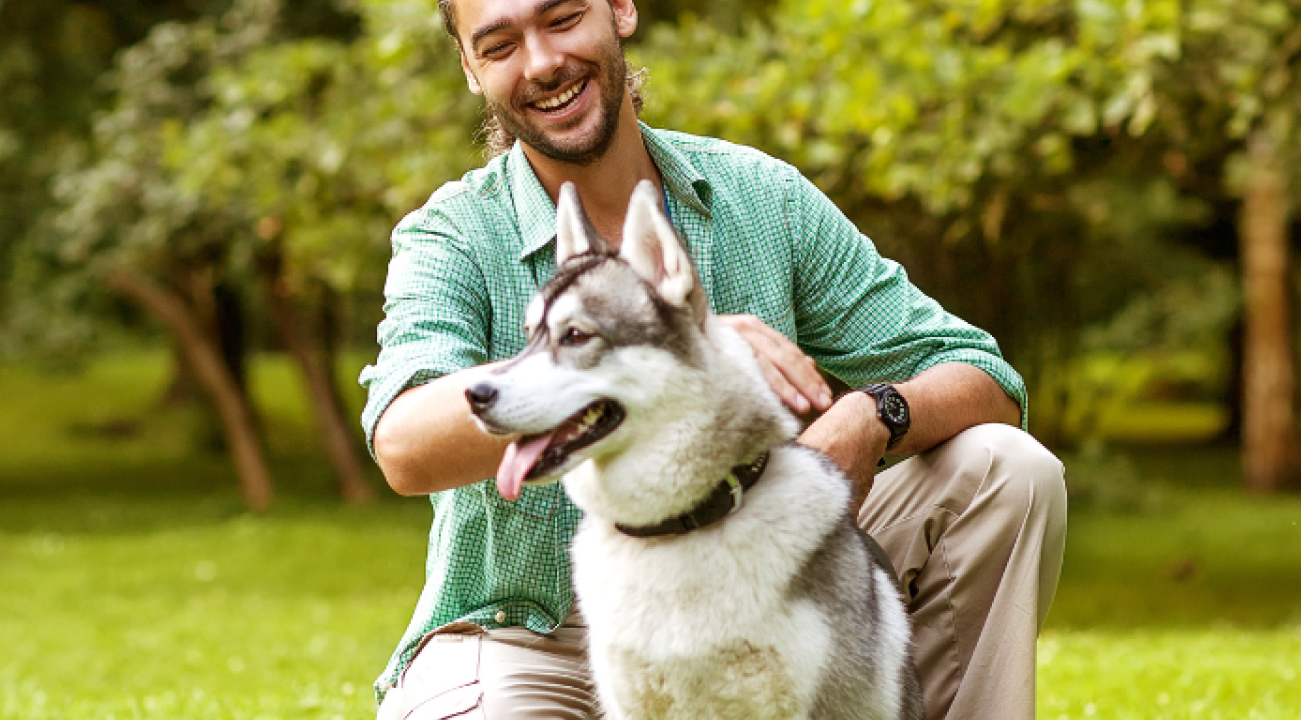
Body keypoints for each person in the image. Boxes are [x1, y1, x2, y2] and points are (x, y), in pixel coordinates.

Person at [358, 0, 1067, 717]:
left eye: (564, 18)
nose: (542, 62)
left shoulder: (762, 198)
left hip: (767, 581)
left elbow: (984, 374)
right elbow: (403, 444)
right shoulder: (451, 233)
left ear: (620, 10)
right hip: (530, 635)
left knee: (1005, 470)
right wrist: (675, 343)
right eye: (501, 44)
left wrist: (869, 416)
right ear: (471, 70)